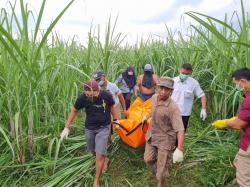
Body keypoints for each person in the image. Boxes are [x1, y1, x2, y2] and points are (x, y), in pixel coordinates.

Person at [60, 80, 118, 187]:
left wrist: (116, 119)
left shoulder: (106, 95)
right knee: (92, 150)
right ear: (86, 92)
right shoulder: (82, 97)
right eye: (89, 94)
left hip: (103, 127)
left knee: (99, 154)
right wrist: (66, 127)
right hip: (90, 128)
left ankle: (96, 181)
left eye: (95, 93)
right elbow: (74, 110)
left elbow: (112, 106)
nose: (93, 96)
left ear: (97, 90)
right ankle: (105, 159)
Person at [143, 77, 185, 187]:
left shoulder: (173, 108)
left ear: (171, 91)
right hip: (152, 134)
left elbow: (180, 129)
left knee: (161, 169)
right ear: (157, 88)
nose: (163, 92)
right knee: (148, 159)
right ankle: (162, 166)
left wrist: (179, 149)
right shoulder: (154, 98)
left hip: (166, 139)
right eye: (161, 88)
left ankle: (161, 181)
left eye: (167, 89)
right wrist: (146, 116)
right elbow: (153, 110)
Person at [212, 68, 250, 187]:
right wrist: (237, 118)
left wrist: (225, 123)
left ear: (243, 81)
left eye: (236, 83)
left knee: (244, 178)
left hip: (249, 143)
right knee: (238, 161)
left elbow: (239, 124)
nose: (236, 86)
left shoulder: (249, 99)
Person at [171, 63, 207, 131]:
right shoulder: (173, 81)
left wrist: (203, 109)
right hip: (172, 112)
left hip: (185, 114)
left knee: (181, 132)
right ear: (179, 70)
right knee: (170, 132)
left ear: (190, 73)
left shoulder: (193, 83)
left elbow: (202, 96)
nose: (184, 75)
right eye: (183, 73)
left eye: (187, 74)